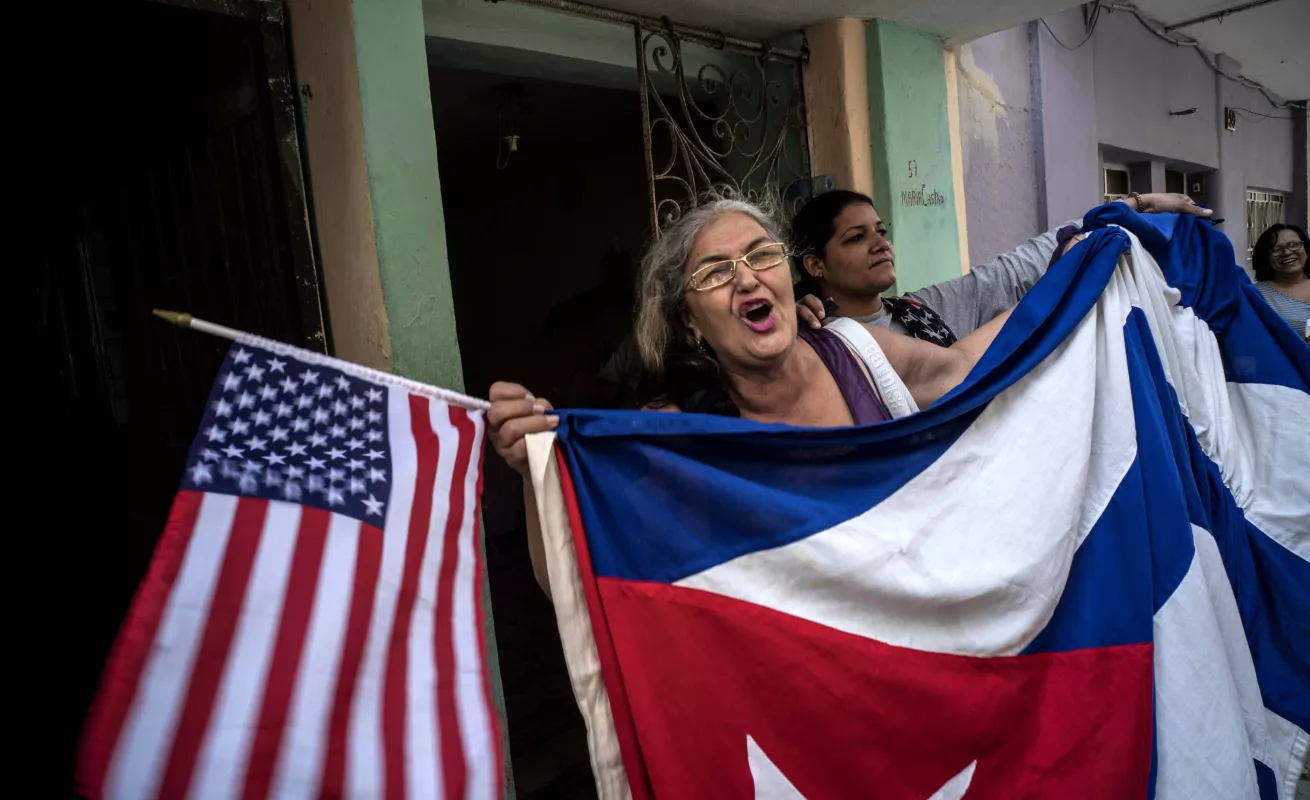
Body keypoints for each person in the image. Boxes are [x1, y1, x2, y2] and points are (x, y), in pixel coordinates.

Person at [488, 196, 1019, 590]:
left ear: (789, 277)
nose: (745, 280)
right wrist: (533, 472)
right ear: (690, 323)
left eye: (761, 255)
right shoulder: (676, 433)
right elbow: (580, 581)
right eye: (715, 272)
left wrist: (1079, 275)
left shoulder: (857, 350)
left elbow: (964, 368)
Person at [789, 190, 1213, 342]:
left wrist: (1131, 206)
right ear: (816, 264)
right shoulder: (811, 342)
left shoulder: (920, 313)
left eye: (881, 231)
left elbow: (1014, 271)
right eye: (856, 237)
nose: (880, 244)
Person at [1250, 223, 1310, 339]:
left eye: (1293, 245)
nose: (1287, 252)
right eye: (1276, 249)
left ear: (1306, 249)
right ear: (1266, 257)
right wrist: (1300, 341)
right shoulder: (1256, 296)